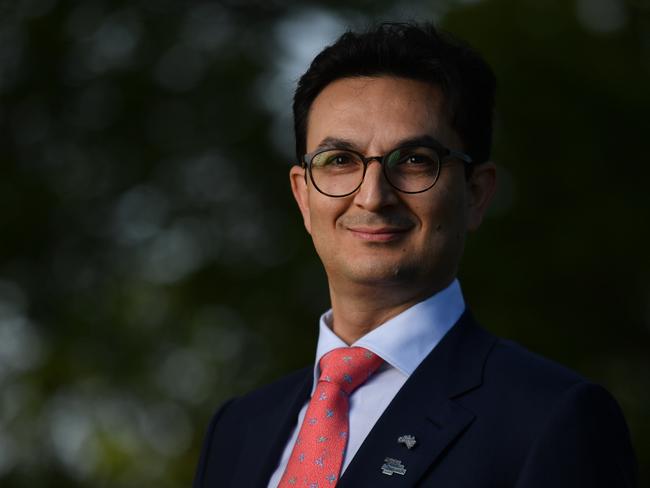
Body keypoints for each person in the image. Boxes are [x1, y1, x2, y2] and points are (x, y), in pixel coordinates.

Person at [193, 22, 636, 487]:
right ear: (304, 196)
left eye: (414, 159)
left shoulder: (553, 417)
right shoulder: (238, 429)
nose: (372, 196)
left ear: (476, 194)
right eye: (340, 161)